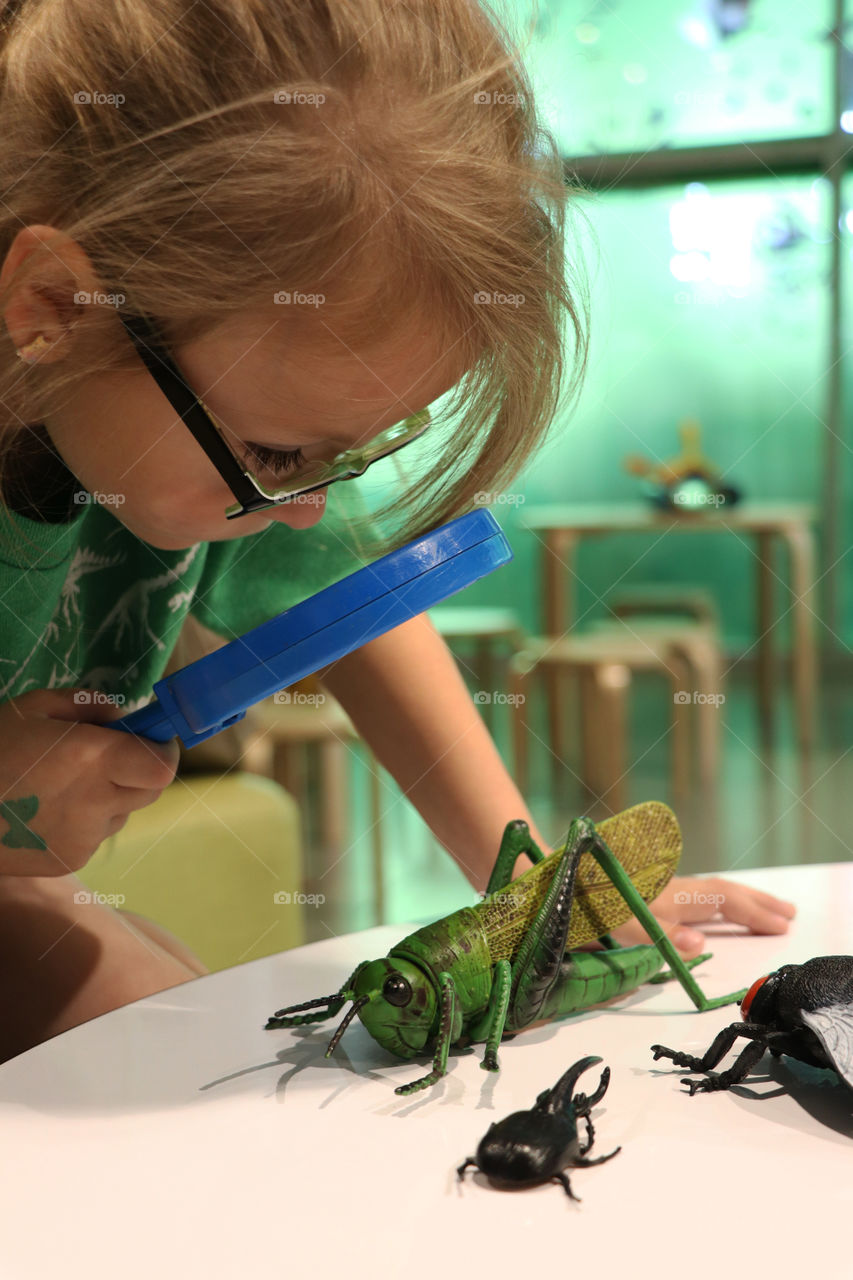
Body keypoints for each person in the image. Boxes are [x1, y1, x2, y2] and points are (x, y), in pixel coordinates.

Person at [0, 0, 794, 1063]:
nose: (311, 506)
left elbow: (353, 604)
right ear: (55, 299)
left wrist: (537, 902)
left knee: (174, 1024)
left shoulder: (193, 406)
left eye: (354, 453)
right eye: (279, 456)